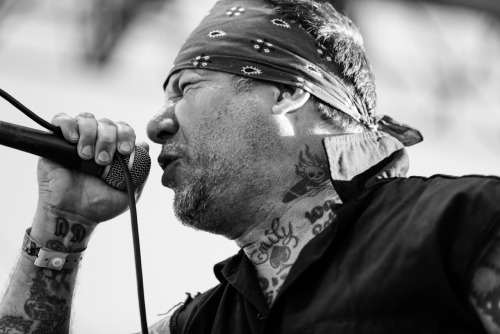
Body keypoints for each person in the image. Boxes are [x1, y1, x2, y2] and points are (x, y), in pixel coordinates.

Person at [1, 0, 500, 333]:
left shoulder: (463, 221)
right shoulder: (201, 325)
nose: (156, 124)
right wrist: (60, 229)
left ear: (287, 92)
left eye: (186, 88)